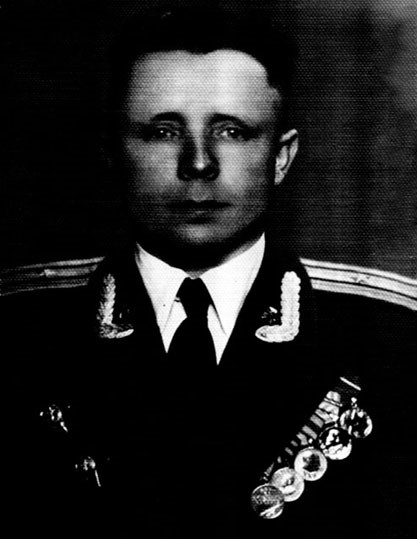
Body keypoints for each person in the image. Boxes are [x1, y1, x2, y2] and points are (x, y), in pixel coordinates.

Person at [3, 7, 416, 539]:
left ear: (281, 157)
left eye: (232, 131)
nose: (199, 163)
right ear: (113, 153)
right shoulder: (21, 333)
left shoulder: (389, 341)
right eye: (163, 131)